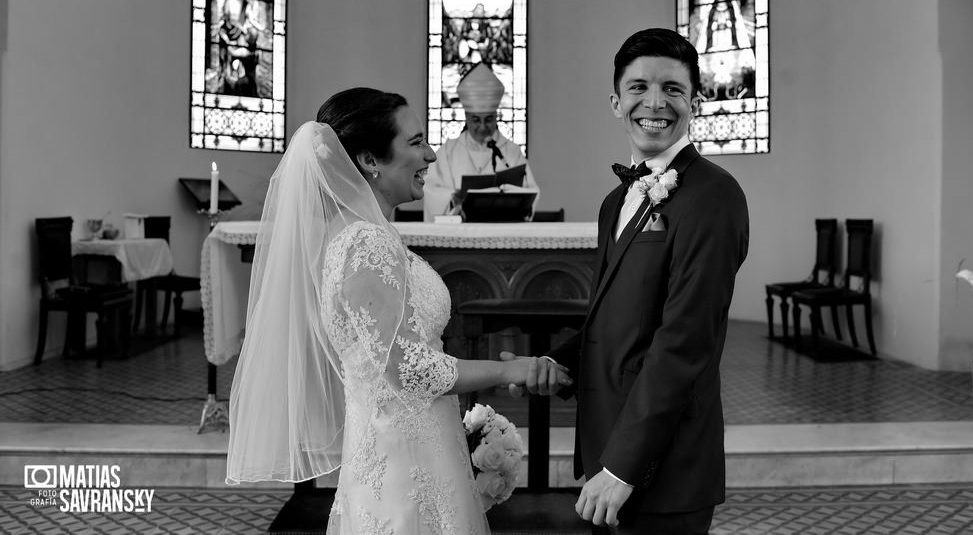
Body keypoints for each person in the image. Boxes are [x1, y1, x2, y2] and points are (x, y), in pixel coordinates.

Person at [225, 87, 571, 534]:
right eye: (415, 143)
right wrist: (511, 370)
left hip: (402, 447)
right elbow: (406, 369)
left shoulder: (355, 233)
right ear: (370, 160)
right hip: (403, 461)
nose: (429, 153)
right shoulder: (366, 243)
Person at [518, 28, 749, 533]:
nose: (655, 103)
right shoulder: (614, 203)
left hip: (661, 463)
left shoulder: (714, 196)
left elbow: (686, 340)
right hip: (610, 447)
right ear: (615, 100)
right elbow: (622, 317)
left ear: (695, 103)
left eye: (673, 89)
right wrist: (561, 361)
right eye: (639, 87)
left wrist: (624, 465)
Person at [423, 63, 540, 220]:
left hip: (503, 231)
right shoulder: (448, 152)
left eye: (489, 119)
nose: (483, 127)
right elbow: (431, 190)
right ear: (467, 118)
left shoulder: (511, 152)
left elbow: (531, 192)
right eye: (476, 120)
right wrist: (452, 198)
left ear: (496, 117)